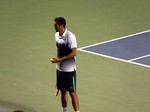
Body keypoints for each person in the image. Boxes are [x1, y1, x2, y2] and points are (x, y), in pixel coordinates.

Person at [51, 17, 79, 112]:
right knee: (63, 92)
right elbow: (59, 50)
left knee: (72, 92)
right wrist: (58, 61)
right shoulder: (56, 35)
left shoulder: (71, 36)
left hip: (69, 70)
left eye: (55, 25)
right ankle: (64, 110)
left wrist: (60, 60)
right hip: (59, 70)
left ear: (61, 25)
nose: (53, 26)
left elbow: (74, 53)